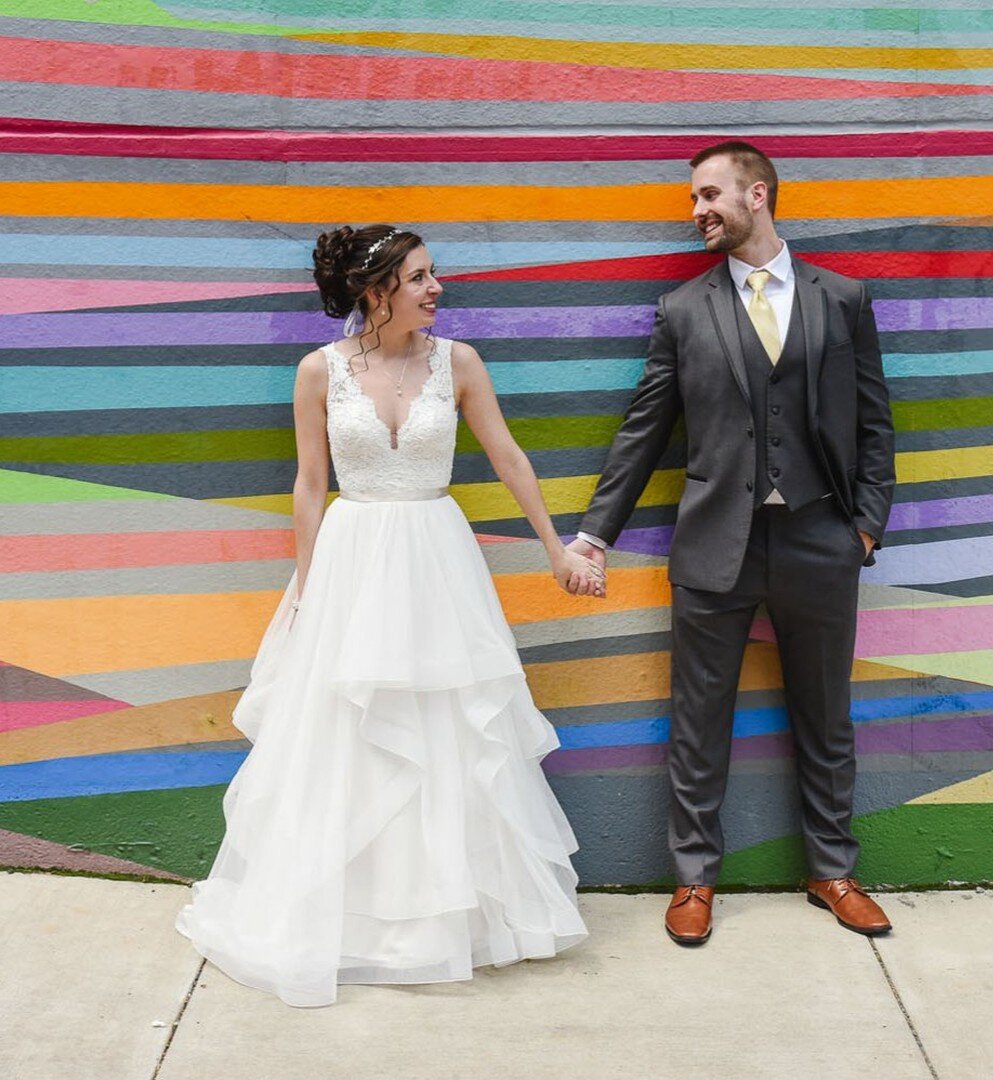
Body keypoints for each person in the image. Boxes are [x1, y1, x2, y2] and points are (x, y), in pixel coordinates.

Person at [177, 224, 601, 1006]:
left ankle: (447, 922)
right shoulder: (320, 372)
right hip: (352, 560)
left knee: (449, 730)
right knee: (345, 732)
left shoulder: (459, 363)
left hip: (436, 559)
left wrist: (555, 549)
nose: (437, 288)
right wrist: (306, 591)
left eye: (433, 274)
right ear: (376, 291)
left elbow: (508, 455)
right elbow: (310, 484)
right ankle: (350, 921)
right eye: (419, 277)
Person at [567, 140, 896, 944]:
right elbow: (645, 428)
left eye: (709, 194)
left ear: (759, 195)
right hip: (716, 541)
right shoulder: (684, 310)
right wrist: (594, 534)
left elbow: (875, 421)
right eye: (693, 198)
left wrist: (865, 524)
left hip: (822, 538)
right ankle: (693, 879)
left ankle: (832, 869)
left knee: (826, 717)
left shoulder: (842, 298)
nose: (697, 211)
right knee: (698, 716)